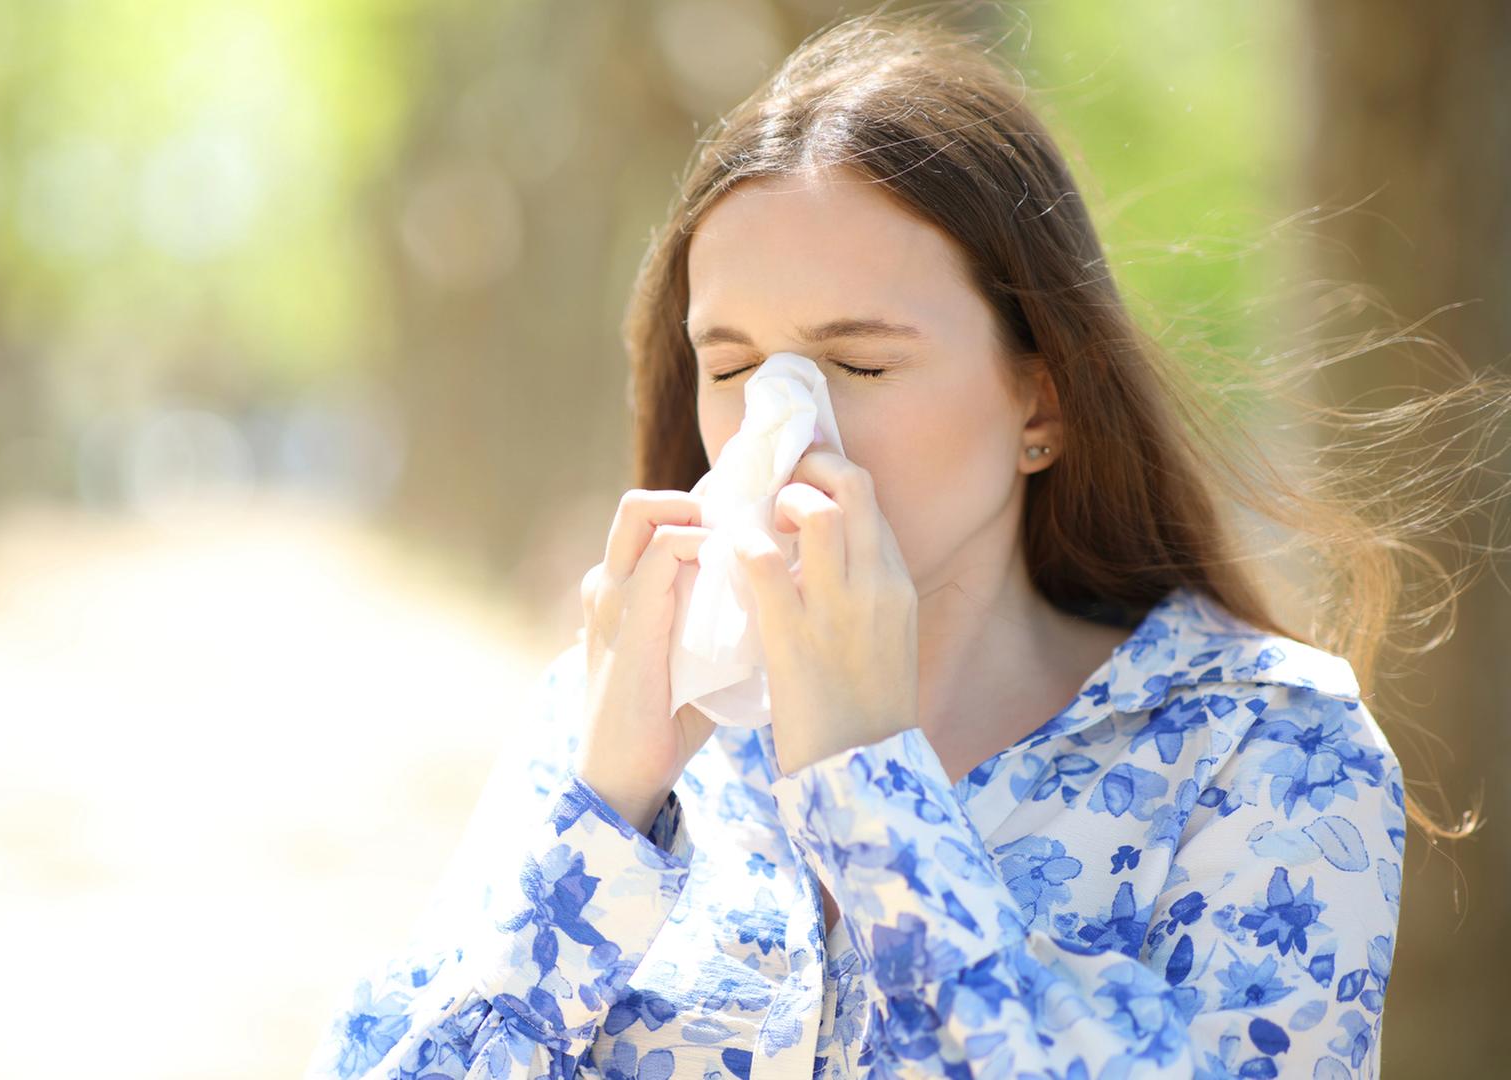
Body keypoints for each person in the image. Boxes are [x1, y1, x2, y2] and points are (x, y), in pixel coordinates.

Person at [305, 11, 1483, 1078]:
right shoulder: (620, 725)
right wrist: (604, 812)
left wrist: (868, 781)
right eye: (732, 367)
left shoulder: (1265, 747)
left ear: (1043, 401)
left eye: (858, 366)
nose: (782, 424)